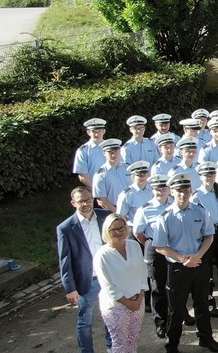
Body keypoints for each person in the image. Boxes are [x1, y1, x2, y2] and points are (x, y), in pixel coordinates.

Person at [152, 173, 218, 353]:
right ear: (171, 193)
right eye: (178, 191)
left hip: (199, 264)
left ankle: (206, 338)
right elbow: (160, 246)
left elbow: (209, 236)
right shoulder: (165, 216)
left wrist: (198, 256)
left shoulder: (200, 210)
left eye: (186, 190)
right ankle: (172, 345)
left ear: (190, 191)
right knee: (176, 310)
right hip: (178, 267)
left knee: (202, 305)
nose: (183, 194)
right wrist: (182, 259)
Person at [56, 186, 112, 353]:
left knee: (110, 315)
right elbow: (64, 260)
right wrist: (70, 288)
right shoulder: (65, 228)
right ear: (74, 203)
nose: (86, 204)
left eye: (88, 200)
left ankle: (112, 347)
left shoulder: (105, 217)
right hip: (87, 281)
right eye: (81, 201)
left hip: (108, 277)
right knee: (85, 320)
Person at [94, 213, 148, 353]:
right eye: (113, 229)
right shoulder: (102, 255)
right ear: (107, 231)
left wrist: (140, 297)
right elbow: (107, 285)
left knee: (133, 339)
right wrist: (128, 303)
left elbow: (143, 271)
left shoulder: (134, 246)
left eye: (121, 228)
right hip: (116, 306)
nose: (118, 232)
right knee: (120, 344)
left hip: (138, 301)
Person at [132, 174, 172, 339]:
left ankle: (177, 317)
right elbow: (138, 232)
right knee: (158, 287)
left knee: (176, 285)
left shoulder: (174, 205)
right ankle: (161, 322)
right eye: (157, 188)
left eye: (163, 188)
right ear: (152, 190)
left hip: (174, 248)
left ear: (169, 189)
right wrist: (152, 243)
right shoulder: (145, 209)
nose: (160, 191)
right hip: (155, 249)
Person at [191, 162, 218, 313]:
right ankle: (209, 301)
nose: (209, 177)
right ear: (200, 177)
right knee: (206, 268)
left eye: (211, 174)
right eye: (205, 175)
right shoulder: (196, 196)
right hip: (206, 233)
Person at [93, 139, 131, 213]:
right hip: (113, 211)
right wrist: (119, 214)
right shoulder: (100, 174)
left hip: (131, 208)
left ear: (120, 151)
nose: (113, 155)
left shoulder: (129, 169)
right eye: (110, 152)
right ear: (104, 153)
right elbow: (102, 201)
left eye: (116, 151)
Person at [73, 118, 107, 189]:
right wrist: (97, 190)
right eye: (94, 132)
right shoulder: (83, 150)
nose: (97, 134)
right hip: (94, 190)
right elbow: (82, 176)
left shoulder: (112, 147)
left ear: (104, 131)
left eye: (99, 131)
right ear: (88, 132)